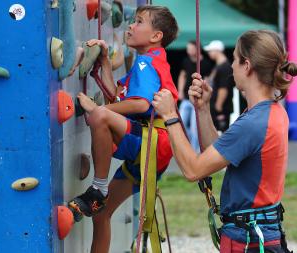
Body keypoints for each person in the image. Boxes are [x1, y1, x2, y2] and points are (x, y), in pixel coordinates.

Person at [152, 30, 297, 253]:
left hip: (248, 239)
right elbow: (219, 155)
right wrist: (202, 109)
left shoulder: (253, 123)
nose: (231, 66)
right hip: (257, 232)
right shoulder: (270, 112)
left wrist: (170, 116)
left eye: (235, 59)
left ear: (247, 65)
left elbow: (193, 170)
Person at [68, 5, 179, 253]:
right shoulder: (151, 63)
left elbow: (140, 103)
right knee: (101, 215)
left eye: (139, 22)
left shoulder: (146, 63)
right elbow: (118, 99)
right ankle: (100, 193)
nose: (130, 25)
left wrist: (95, 110)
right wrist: (105, 63)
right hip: (154, 148)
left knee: (99, 116)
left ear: (155, 36)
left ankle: (98, 187)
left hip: (152, 142)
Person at [178, 40, 213, 151]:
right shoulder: (186, 61)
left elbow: (207, 81)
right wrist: (180, 91)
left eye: (191, 48)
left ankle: (195, 151)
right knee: (181, 124)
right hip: (185, 98)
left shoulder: (206, 63)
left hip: (197, 99)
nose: (188, 50)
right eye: (188, 48)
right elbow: (182, 75)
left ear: (197, 49)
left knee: (195, 127)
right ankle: (188, 147)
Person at [205, 40, 235, 132]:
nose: (208, 53)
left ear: (217, 51)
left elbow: (224, 88)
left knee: (221, 134)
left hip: (221, 108)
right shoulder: (218, 66)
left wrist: (218, 107)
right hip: (215, 107)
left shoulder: (225, 67)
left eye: (210, 51)